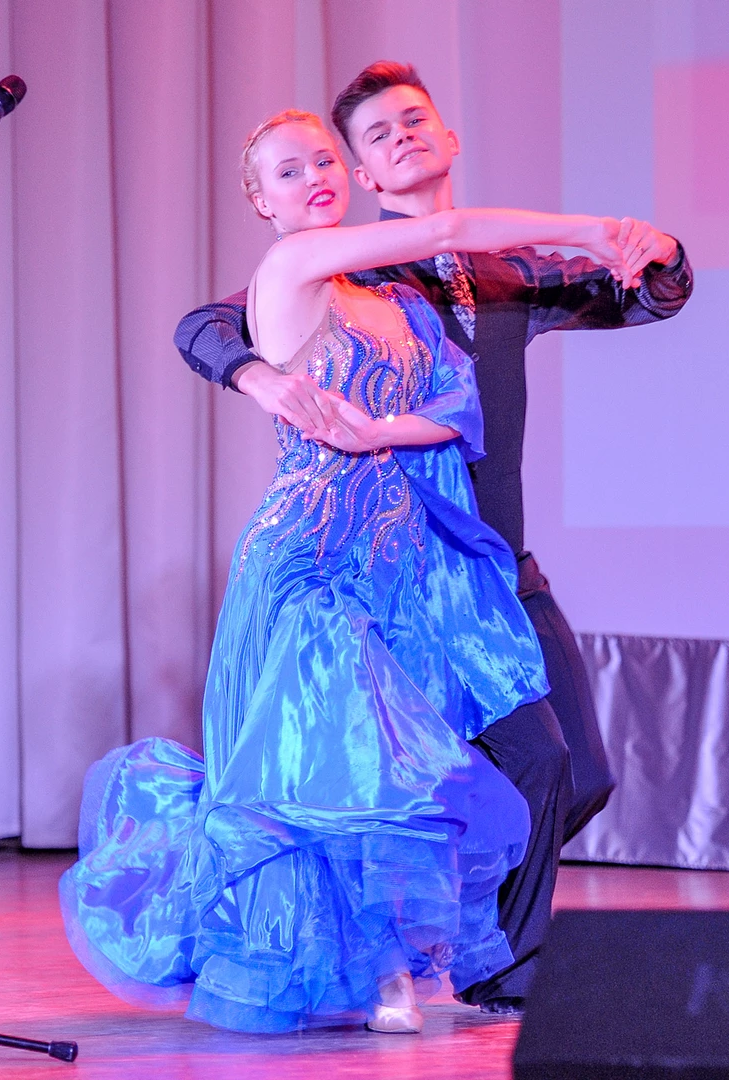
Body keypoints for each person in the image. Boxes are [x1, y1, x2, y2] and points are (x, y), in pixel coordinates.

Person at [61, 108, 637, 1035]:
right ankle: (380, 970)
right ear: (260, 201)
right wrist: (591, 231)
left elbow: (454, 410)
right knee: (342, 760)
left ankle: (415, 954)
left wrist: (379, 431)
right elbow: (448, 228)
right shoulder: (291, 266)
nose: (314, 179)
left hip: (412, 561)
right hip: (316, 555)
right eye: (288, 172)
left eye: (323, 161)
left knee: (451, 759)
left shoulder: (395, 300)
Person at [174, 61, 692, 1012]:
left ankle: (455, 932)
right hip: (385, 564)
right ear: (363, 175)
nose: (401, 138)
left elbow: (639, 294)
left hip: (495, 564)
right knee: (422, 773)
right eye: (375, 135)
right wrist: (256, 376)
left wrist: (652, 252)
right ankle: (492, 968)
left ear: (448, 138)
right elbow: (207, 322)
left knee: (574, 770)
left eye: (414, 120)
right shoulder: (350, 266)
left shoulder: (507, 272)